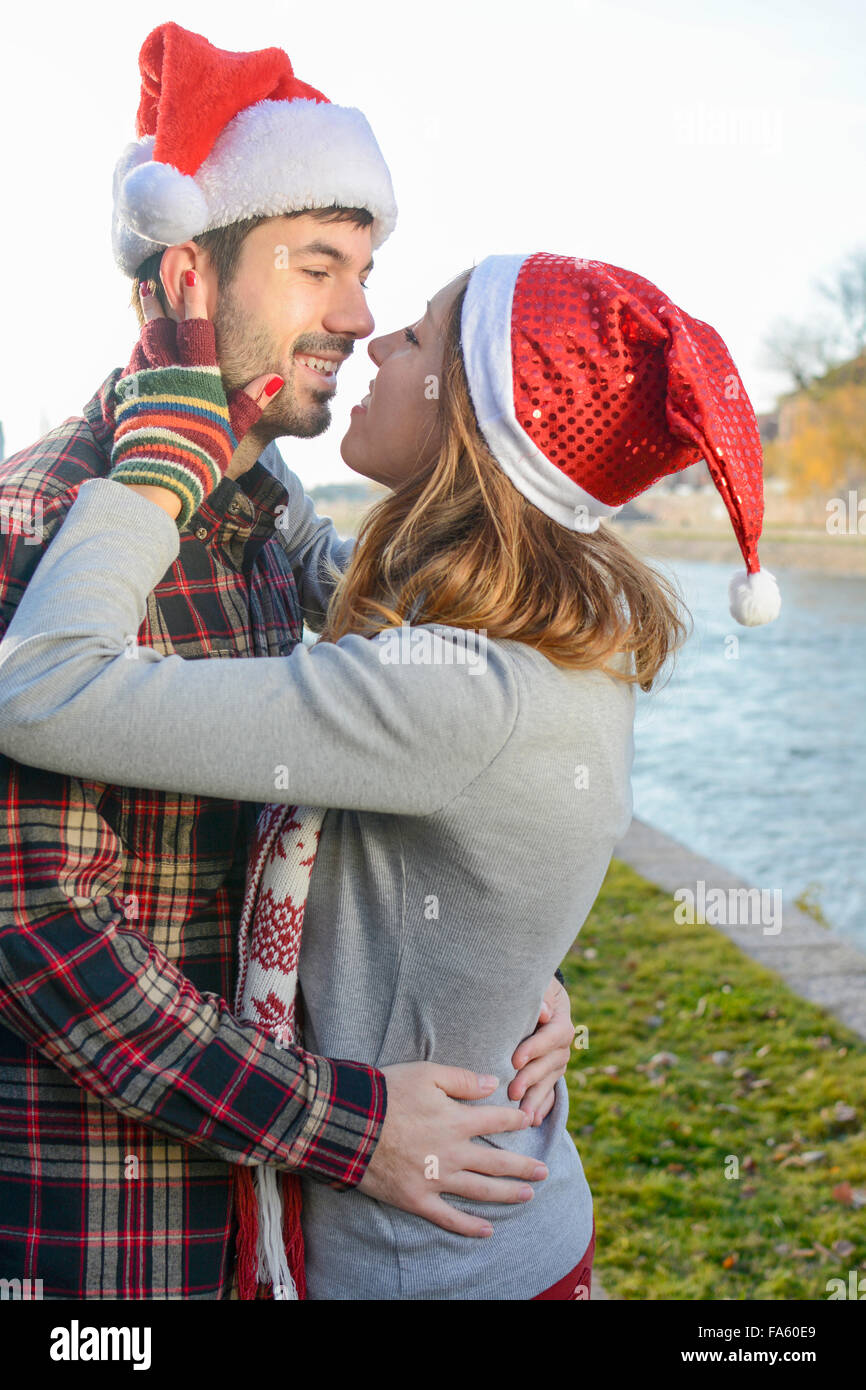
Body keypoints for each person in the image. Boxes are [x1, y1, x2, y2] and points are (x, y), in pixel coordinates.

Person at [0, 250, 781, 1299]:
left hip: (430, 1272)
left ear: (472, 417)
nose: (372, 337)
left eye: (413, 333)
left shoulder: (449, 690)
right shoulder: (538, 631)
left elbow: (44, 685)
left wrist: (152, 470)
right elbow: (320, 556)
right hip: (502, 1236)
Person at [0, 23, 573, 1301]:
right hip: (118, 1246)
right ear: (188, 279)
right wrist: (346, 1126)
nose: (361, 317)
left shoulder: (270, 517)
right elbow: (40, 933)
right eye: (319, 267)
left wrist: (499, 965)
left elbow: (402, 773)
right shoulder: (36, 530)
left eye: (368, 271)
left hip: (286, 1236)